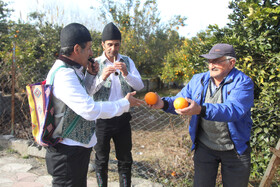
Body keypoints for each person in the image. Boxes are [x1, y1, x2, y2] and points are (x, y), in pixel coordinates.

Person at [45, 23, 144, 187]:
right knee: (97, 162)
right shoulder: (65, 74)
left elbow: (85, 93)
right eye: (89, 48)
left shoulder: (74, 70)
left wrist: (91, 75)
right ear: (77, 49)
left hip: (75, 147)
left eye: (116, 44)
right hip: (67, 151)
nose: (91, 53)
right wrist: (125, 103)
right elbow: (89, 109)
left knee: (124, 158)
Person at [150, 43, 254, 187]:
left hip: (235, 150)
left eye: (217, 61)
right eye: (210, 61)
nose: (212, 65)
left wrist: (200, 109)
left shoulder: (243, 82)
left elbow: (233, 110)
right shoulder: (198, 80)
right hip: (205, 148)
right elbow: (181, 101)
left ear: (232, 63)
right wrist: (163, 103)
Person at [90, 22, 144, 187]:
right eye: (110, 45)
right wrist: (102, 77)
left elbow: (140, 85)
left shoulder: (127, 61)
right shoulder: (95, 63)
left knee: (125, 158)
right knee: (101, 159)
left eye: (117, 44)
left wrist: (126, 73)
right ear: (103, 45)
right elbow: (89, 91)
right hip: (102, 120)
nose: (114, 49)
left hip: (122, 118)